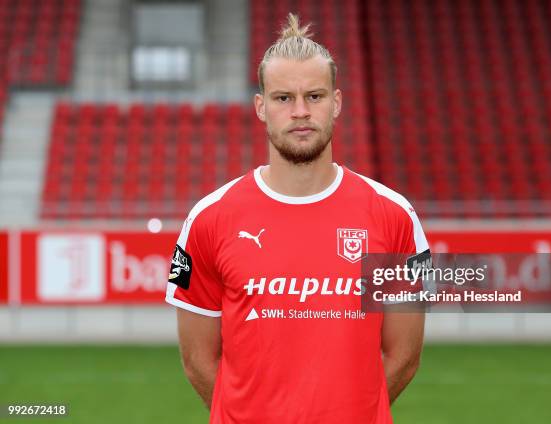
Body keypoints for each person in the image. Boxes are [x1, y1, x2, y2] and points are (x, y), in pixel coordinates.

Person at [165, 13, 428, 424]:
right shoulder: (209, 218)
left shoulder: (394, 216)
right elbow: (197, 359)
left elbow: (404, 356)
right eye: (284, 98)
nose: (300, 111)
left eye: (315, 97)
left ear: (336, 103)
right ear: (261, 107)